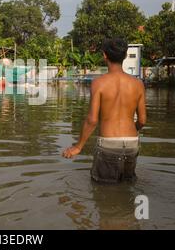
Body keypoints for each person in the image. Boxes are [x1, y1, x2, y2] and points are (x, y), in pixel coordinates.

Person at [62, 38, 147, 183]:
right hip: (132, 143)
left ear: (104, 55)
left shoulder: (99, 83)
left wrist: (78, 146)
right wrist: (131, 132)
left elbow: (92, 120)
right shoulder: (138, 84)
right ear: (125, 56)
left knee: (103, 192)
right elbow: (142, 121)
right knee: (127, 189)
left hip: (109, 144)